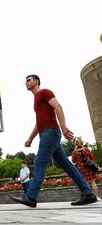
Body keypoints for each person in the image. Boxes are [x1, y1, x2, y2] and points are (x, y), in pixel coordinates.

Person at [11, 75, 97, 208]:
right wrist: (30, 138)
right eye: (25, 81)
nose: (25, 82)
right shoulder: (36, 100)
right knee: (67, 165)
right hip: (46, 133)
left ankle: (31, 197)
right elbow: (38, 123)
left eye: (28, 80)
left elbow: (58, 106)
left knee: (40, 162)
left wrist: (63, 127)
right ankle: (88, 193)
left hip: (50, 132)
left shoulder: (45, 92)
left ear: (36, 81)